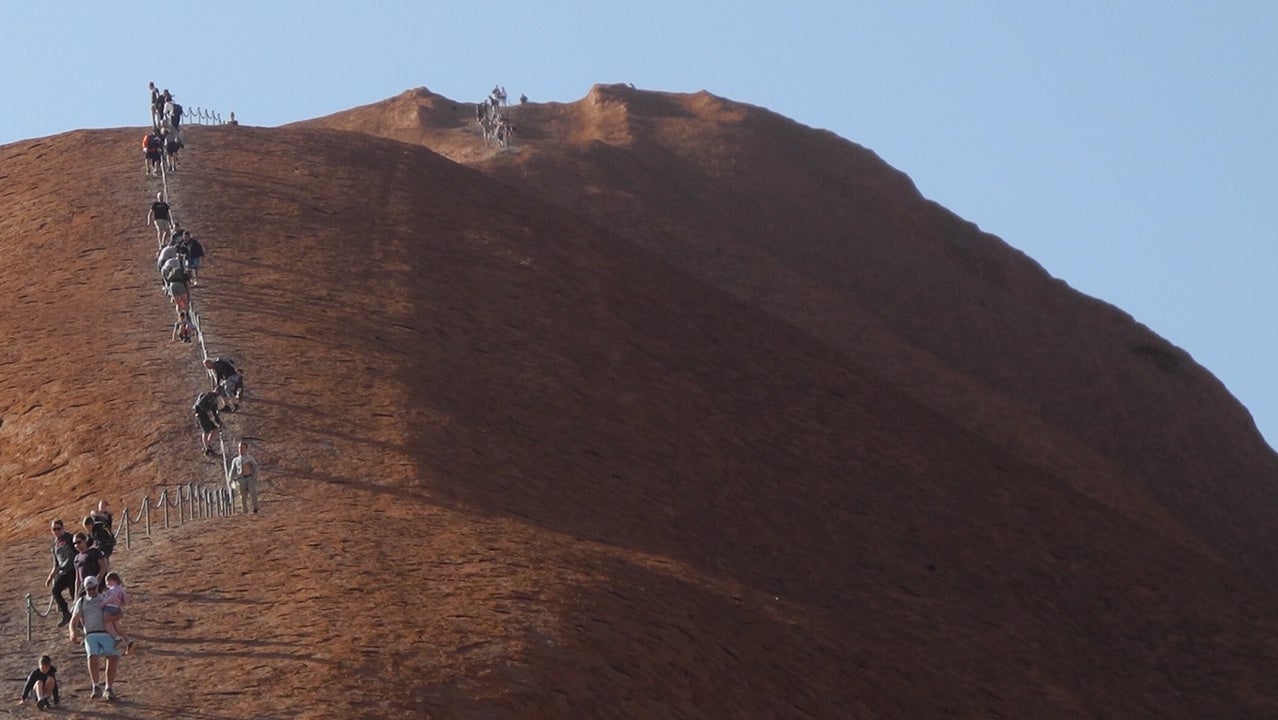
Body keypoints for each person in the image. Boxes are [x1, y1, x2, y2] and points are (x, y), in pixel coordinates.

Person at [69, 576, 121, 701]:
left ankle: (108, 688)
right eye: (89, 589)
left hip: (106, 632)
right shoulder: (81, 601)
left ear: (97, 587)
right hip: (91, 634)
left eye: (93, 588)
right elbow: (74, 620)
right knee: (92, 655)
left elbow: (119, 613)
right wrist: (72, 632)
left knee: (113, 657)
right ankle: (96, 685)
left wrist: (112, 619)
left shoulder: (105, 598)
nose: (91, 591)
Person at [45, 520, 77, 626]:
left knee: (74, 595)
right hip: (63, 571)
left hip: (74, 570)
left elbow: (79, 551)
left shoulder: (71, 538)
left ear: (63, 528)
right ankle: (66, 613)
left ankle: (78, 618)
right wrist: (50, 577)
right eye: (54, 529)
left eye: (58, 528)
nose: (56, 531)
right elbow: (56, 563)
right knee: (55, 591)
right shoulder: (54, 544)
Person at [101, 572, 132, 653]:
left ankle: (116, 638)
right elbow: (126, 598)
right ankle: (128, 641)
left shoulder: (114, 588)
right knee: (116, 626)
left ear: (112, 580)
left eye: (107, 582)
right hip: (115, 607)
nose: (107, 584)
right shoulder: (120, 588)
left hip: (110, 607)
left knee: (106, 622)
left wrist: (103, 603)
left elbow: (112, 597)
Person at [72, 533, 108, 597]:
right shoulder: (76, 558)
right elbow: (78, 579)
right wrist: (76, 595)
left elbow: (103, 566)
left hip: (96, 585)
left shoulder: (94, 552)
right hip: (85, 587)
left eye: (79, 542)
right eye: (74, 543)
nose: (77, 545)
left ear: (85, 540)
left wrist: (98, 578)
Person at [230, 440, 260, 513]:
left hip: (249, 478)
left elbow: (255, 467)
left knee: (253, 493)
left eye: (242, 448)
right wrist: (230, 478)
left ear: (246, 449)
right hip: (240, 479)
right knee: (243, 496)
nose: (240, 449)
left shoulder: (250, 458)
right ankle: (245, 511)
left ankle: (255, 508)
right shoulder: (235, 460)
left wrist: (255, 476)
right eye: (239, 448)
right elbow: (233, 469)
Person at [194, 390, 222, 455]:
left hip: (207, 416)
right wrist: (208, 410)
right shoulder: (208, 395)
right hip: (201, 415)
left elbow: (214, 411)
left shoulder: (215, 400)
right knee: (206, 431)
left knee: (216, 430)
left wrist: (218, 422)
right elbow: (200, 404)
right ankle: (207, 449)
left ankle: (207, 445)